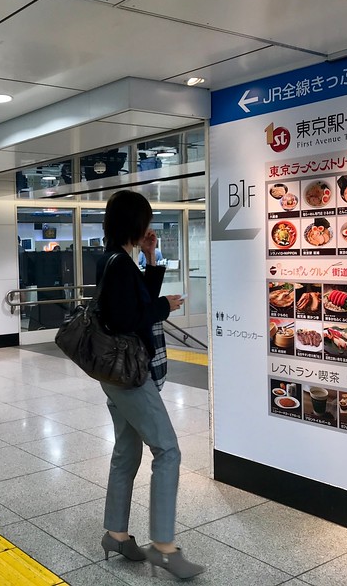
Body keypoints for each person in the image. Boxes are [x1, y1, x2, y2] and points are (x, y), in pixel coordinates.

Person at [96, 191, 202, 580]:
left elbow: (134, 298)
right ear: (135, 224)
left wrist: (152, 258)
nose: (148, 228)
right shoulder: (120, 265)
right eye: (145, 221)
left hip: (114, 376)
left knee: (126, 450)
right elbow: (131, 317)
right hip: (131, 377)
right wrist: (165, 307)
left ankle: (116, 533)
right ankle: (164, 546)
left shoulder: (112, 259)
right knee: (168, 450)